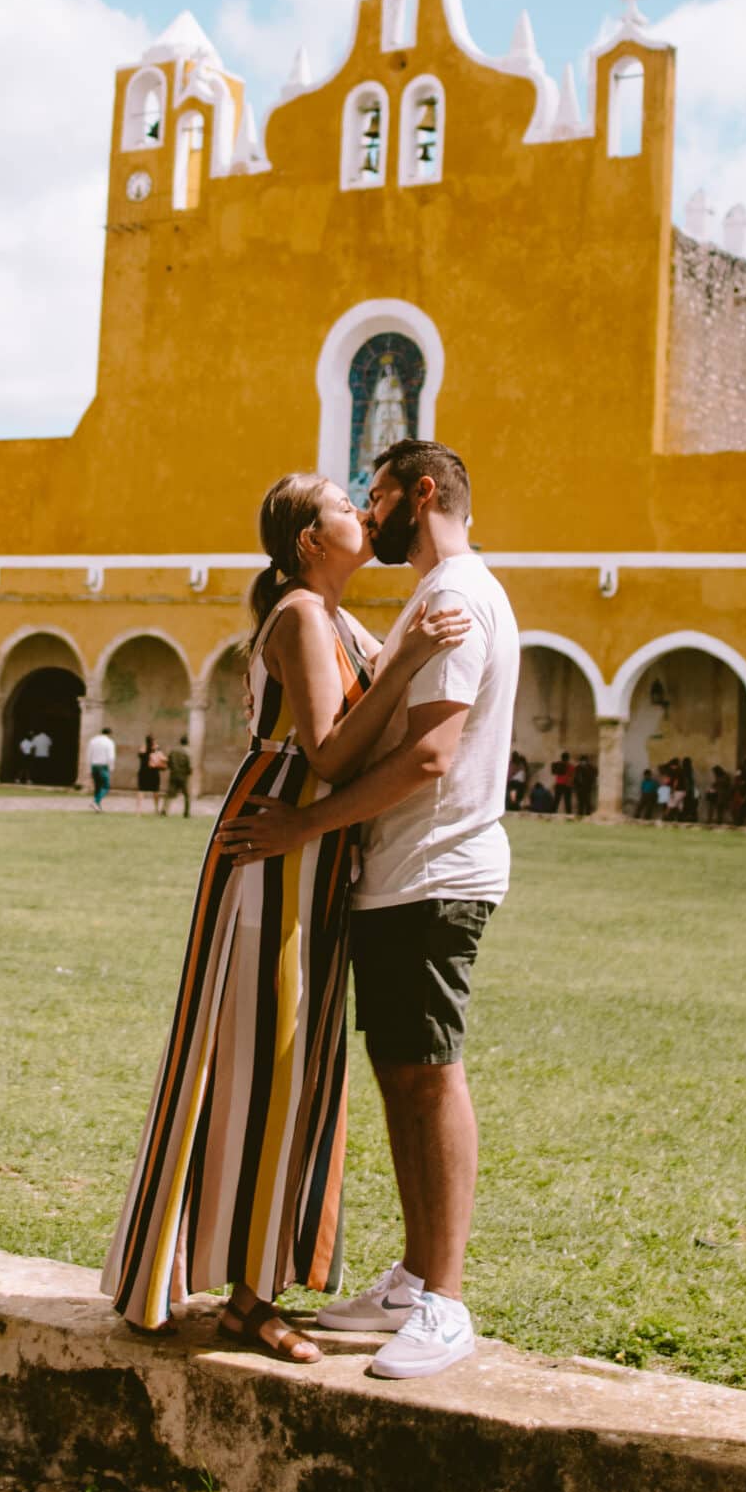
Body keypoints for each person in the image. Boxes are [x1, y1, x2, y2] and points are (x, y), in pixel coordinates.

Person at [104, 471, 468, 1361]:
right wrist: (411, 660)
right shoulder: (304, 616)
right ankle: (245, 1299)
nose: (364, 515)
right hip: (275, 851)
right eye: (348, 507)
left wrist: (407, 660)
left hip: (313, 857)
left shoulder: (340, 621)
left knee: (296, 1066)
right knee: (264, 1061)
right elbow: (333, 751)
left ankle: (249, 1286)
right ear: (310, 538)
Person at [224, 437, 519, 1383]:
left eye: (378, 494)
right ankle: (415, 1277)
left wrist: (306, 823)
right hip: (404, 872)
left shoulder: (450, 597)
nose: (369, 507)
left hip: (433, 869)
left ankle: (444, 1298)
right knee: (403, 1070)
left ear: (418, 495)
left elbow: (429, 757)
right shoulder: (435, 598)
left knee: (428, 1073)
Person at [88, 722, 117, 808]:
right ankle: (95, 801)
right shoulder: (109, 742)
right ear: (110, 734)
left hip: (94, 766)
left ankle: (98, 805)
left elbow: (89, 755)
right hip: (103, 767)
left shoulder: (93, 741)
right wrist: (111, 767)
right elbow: (111, 757)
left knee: (97, 787)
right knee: (105, 786)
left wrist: (89, 769)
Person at [165, 733, 193, 817]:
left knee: (169, 794)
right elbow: (189, 766)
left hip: (173, 775)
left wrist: (172, 769)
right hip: (183, 776)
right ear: (187, 742)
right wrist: (189, 773)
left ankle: (165, 810)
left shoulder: (173, 751)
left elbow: (168, 762)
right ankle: (186, 813)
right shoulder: (187, 752)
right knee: (186, 795)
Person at [136, 734, 163, 813]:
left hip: (143, 772)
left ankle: (139, 809)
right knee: (156, 791)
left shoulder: (142, 749)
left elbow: (140, 755)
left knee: (141, 791)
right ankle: (156, 809)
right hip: (154, 772)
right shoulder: (156, 748)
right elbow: (160, 758)